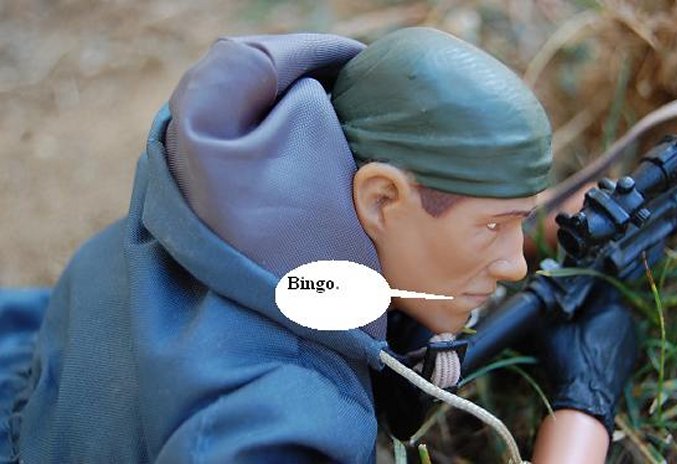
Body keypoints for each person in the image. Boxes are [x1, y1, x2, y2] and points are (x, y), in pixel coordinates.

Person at [0, 27, 636, 463]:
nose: (515, 264)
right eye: (493, 228)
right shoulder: (273, 420)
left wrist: (535, 219)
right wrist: (581, 418)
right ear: (381, 199)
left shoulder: (221, 202)